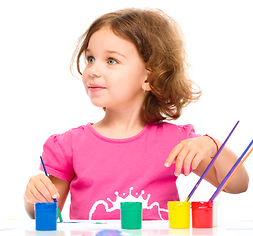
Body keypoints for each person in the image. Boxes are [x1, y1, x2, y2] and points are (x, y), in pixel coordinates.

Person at [24, 8, 249, 220]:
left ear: (149, 77)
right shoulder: (68, 145)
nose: (92, 70)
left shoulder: (175, 142)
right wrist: (34, 197)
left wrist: (213, 145)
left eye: (111, 60)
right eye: (90, 58)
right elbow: (47, 214)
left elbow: (237, 185)